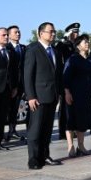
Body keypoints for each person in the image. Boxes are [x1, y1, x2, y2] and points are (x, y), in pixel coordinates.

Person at [24, 22, 64, 170]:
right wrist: (31, 96)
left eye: (54, 32)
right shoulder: (33, 50)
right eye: (50, 31)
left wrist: (59, 93)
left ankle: (44, 155)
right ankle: (33, 159)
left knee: (47, 129)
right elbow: (28, 75)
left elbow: (58, 75)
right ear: (41, 33)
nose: (53, 34)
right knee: (35, 130)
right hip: (38, 97)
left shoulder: (55, 52)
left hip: (52, 96)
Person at [63, 34, 91, 157]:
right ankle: (70, 146)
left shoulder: (90, 59)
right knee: (71, 120)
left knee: (82, 121)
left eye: (87, 42)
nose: (87, 44)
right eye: (84, 42)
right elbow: (65, 77)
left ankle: (81, 146)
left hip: (85, 95)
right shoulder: (72, 59)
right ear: (78, 46)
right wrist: (67, 92)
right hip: (73, 94)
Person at [54, 22, 80, 140]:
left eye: (77, 32)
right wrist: (63, 39)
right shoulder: (63, 45)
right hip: (65, 80)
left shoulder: (77, 46)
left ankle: (73, 129)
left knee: (74, 107)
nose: (76, 34)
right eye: (74, 32)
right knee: (64, 108)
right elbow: (56, 52)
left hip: (76, 81)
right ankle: (63, 131)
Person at [5, 25, 27, 141]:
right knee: (6, 109)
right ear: (9, 35)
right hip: (9, 84)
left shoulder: (24, 48)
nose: (18, 34)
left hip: (21, 83)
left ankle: (12, 130)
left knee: (15, 108)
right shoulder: (6, 48)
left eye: (19, 32)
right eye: (15, 32)